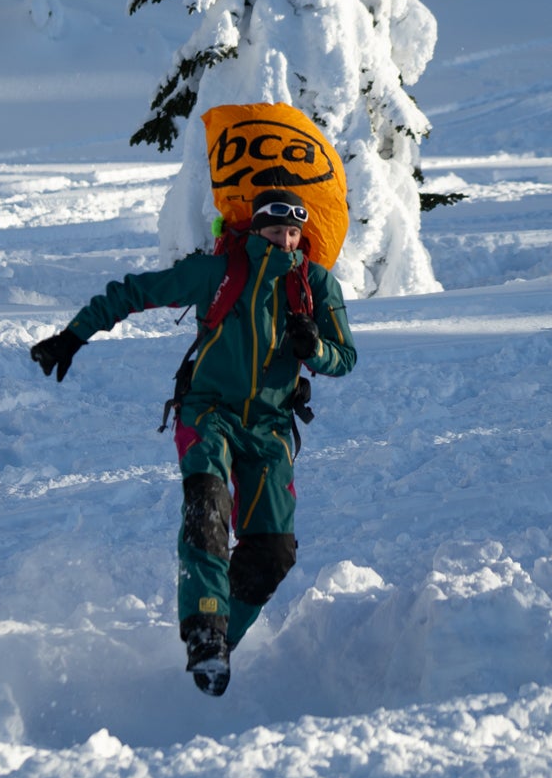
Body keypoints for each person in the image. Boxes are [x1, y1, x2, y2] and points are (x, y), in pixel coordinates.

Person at [28, 188, 357, 696]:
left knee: (272, 551)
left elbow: (344, 356)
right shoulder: (218, 273)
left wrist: (314, 347)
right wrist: (73, 335)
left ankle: (222, 642)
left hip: (270, 428)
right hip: (208, 413)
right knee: (208, 508)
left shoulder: (314, 284)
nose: (285, 239)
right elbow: (134, 291)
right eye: (275, 230)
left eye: (293, 232)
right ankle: (205, 631)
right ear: (255, 229)